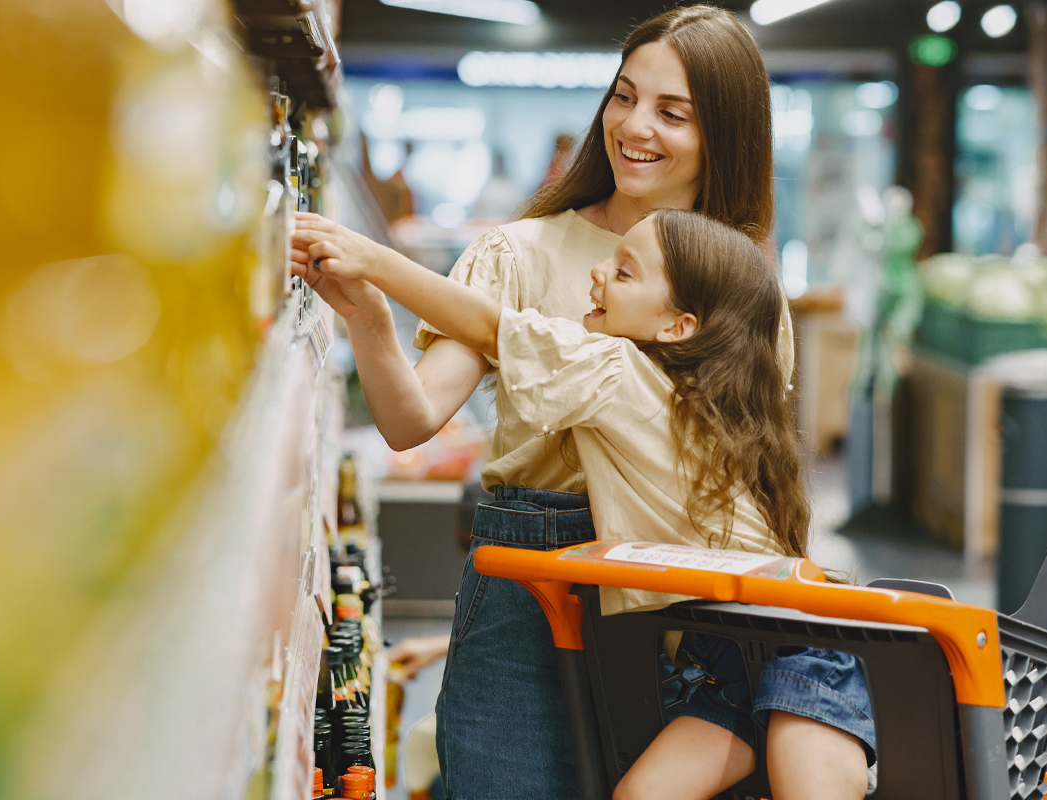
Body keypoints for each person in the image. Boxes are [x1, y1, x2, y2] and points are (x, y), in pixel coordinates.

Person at [289, 6, 815, 798]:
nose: (635, 126)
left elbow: (745, 462)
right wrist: (367, 313)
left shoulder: (741, 289)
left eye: (673, 112)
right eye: (625, 96)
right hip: (527, 585)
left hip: (687, 606)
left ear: (724, 136)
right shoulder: (520, 251)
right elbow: (410, 420)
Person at [293, 209, 873, 799]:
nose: (595, 273)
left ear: (677, 325)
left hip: (797, 647)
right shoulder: (692, 396)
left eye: (624, 272)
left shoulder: (621, 372)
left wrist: (371, 259)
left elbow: (490, 324)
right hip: (719, 665)